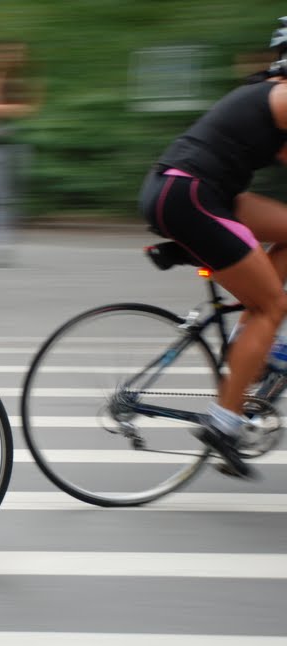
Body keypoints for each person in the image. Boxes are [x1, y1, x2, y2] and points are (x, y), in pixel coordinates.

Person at [139, 18, 287, 480]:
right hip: (191, 195)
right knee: (273, 305)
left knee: (269, 292)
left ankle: (256, 346)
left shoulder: (271, 94)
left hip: (195, 192)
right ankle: (223, 424)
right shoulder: (283, 96)